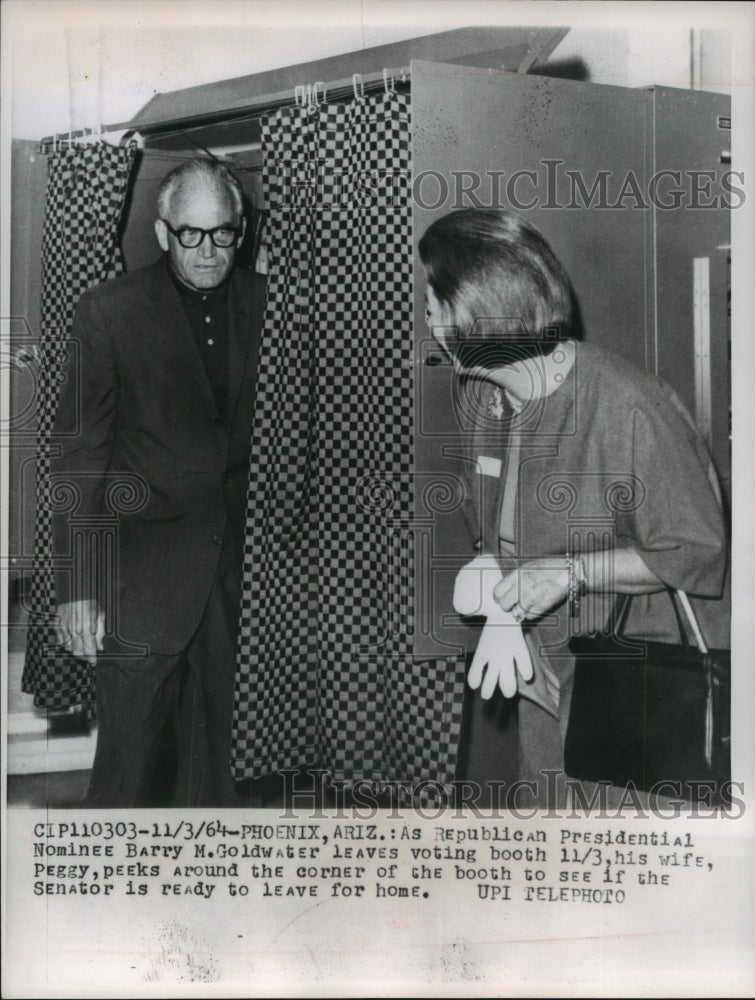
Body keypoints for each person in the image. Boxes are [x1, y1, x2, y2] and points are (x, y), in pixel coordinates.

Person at [419, 208, 728, 808]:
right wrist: (501, 607)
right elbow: (494, 532)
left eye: (436, 300)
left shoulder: (629, 408)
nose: (428, 315)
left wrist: (571, 572)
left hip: (635, 687)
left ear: (482, 311)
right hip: (545, 683)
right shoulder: (482, 398)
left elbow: (696, 552)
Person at [50, 157, 266, 807]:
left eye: (222, 234)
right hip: (140, 581)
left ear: (242, 229)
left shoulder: (272, 307)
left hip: (240, 581)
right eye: (190, 234)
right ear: (163, 232)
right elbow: (78, 459)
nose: (207, 252)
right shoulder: (107, 313)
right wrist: (77, 589)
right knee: (129, 765)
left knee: (227, 770)